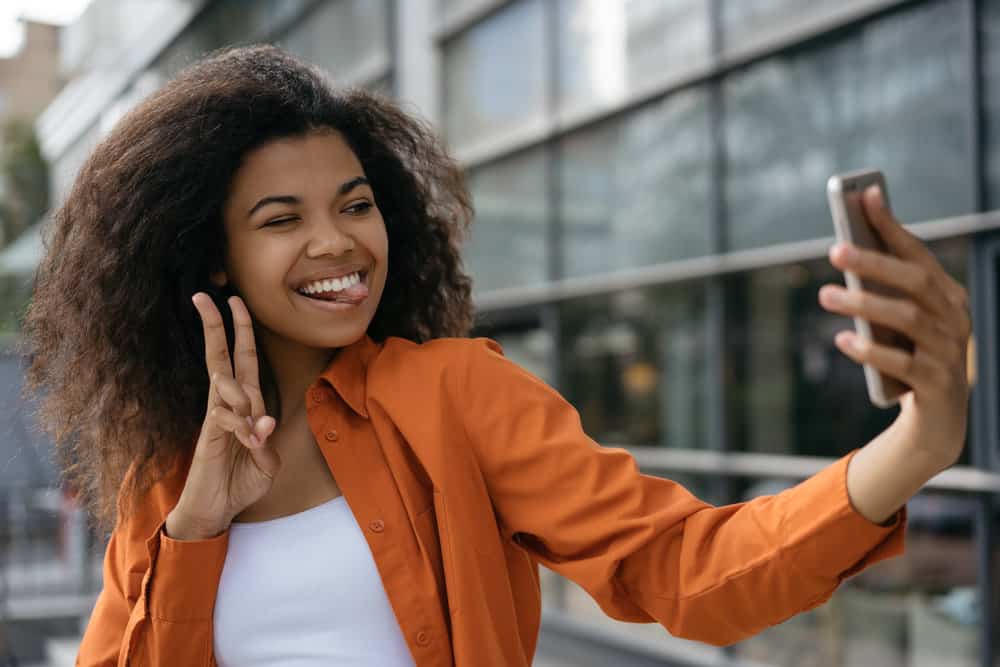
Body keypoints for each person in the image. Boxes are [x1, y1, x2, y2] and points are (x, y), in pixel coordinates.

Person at [21, 45, 970, 666]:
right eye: (283, 219)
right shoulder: (169, 475)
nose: (339, 243)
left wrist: (919, 443)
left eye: (356, 205)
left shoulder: (454, 393)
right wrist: (197, 527)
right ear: (212, 256)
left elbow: (684, 569)